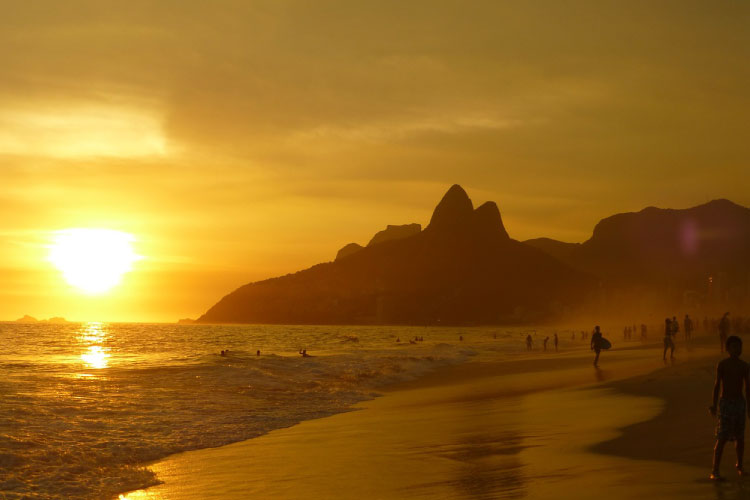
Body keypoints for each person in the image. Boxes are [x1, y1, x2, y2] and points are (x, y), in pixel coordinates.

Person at [709, 336, 750, 480]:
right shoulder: (723, 364)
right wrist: (714, 405)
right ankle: (715, 469)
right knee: (722, 437)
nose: (737, 350)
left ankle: (739, 465)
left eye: (739, 347)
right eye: (734, 347)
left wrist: (749, 407)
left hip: (739, 403)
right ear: (727, 349)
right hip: (725, 403)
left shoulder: (744, 366)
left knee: (740, 437)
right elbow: (717, 385)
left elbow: (748, 388)